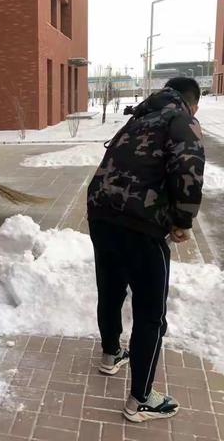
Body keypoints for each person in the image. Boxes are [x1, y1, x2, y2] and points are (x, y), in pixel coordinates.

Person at [87, 77, 205, 422]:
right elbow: (188, 169)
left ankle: (111, 355)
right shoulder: (181, 119)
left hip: (101, 214)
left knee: (110, 288)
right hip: (140, 223)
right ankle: (141, 400)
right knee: (151, 312)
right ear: (191, 101)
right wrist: (183, 221)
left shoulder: (140, 117)